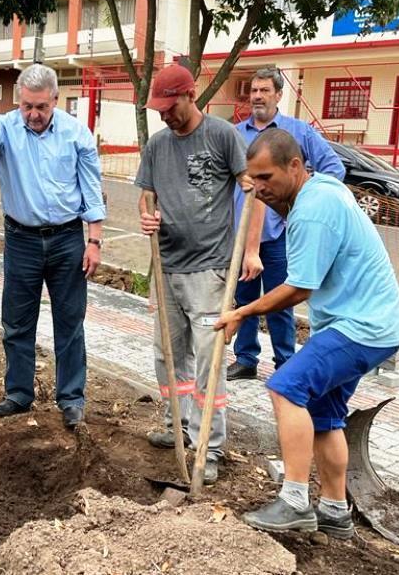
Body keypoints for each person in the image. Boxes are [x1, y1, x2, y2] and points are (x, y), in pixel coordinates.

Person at [216, 128, 399, 537]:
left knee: (286, 387)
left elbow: (300, 287)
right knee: (325, 417)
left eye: (266, 178)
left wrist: (241, 312)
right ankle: (335, 509)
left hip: (361, 327)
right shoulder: (317, 194)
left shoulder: (314, 207)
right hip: (366, 324)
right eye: (253, 179)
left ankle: (295, 500)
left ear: (295, 166)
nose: (258, 188)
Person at [0, 64, 106, 429]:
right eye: (27, 106)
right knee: (16, 322)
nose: (34, 114)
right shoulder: (7, 128)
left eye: (41, 106)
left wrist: (95, 241)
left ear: (56, 100)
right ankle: (19, 394)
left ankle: (71, 399)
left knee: (70, 323)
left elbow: (91, 191)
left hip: (67, 240)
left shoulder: (77, 134)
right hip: (21, 239)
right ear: (18, 101)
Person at [137, 64, 265, 484]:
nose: (163, 116)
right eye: (158, 109)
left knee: (210, 362)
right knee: (168, 355)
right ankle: (178, 426)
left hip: (210, 269)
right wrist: (147, 217)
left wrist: (249, 250)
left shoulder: (222, 136)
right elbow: (146, 197)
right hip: (167, 266)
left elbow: (253, 190)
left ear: (191, 95)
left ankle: (207, 446)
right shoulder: (157, 146)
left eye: (169, 107)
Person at [228, 67, 345, 381]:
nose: (257, 96)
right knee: (244, 299)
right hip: (241, 237)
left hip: (281, 236)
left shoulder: (299, 132)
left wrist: (304, 204)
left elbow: (334, 168)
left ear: (279, 95)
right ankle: (246, 359)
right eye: (253, 90)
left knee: (282, 300)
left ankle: (285, 363)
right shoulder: (236, 134)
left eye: (264, 90)